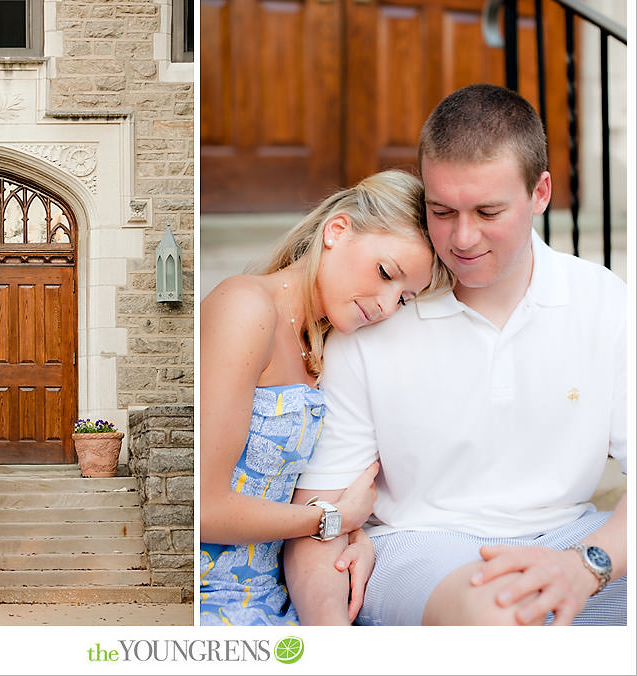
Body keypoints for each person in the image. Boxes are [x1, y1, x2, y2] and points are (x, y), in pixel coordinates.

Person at [285, 83, 626, 626]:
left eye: (488, 210)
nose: (463, 238)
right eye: (442, 211)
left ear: (540, 193)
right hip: (422, 547)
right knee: (503, 613)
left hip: (574, 538)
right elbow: (315, 518)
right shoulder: (377, 314)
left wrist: (587, 564)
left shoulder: (603, 300)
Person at [200, 169, 453, 625]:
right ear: (337, 230)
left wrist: (353, 532)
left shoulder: (323, 344)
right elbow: (204, 506)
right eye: (385, 273)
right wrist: (329, 519)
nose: (385, 305)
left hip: (280, 589)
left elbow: (303, 487)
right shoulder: (245, 307)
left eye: (405, 298)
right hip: (211, 596)